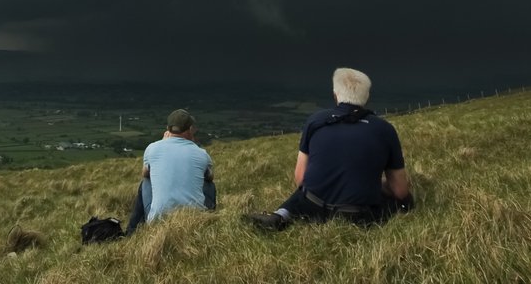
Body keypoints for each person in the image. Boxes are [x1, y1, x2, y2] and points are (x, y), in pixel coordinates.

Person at [246, 68, 413, 229]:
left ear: (335, 94)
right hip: (360, 217)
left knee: (304, 191)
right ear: (367, 97)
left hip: (314, 209)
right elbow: (400, 191)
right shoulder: (385, 129)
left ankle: (281, 215)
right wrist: (379, 185)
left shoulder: (316, 120)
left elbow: (300, 178)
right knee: (406, 199)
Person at [126, 108, 215, 234]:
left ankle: (132, 231)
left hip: (159, 221)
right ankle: (210, 219)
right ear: (190, 129)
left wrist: (163, 143)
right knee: (209, 183)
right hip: (194, 219)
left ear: (168, 128)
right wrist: (192, 145)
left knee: (146, 182)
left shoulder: (153, 148)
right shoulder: (201, 154)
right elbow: (210, 177)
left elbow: (145, 173)